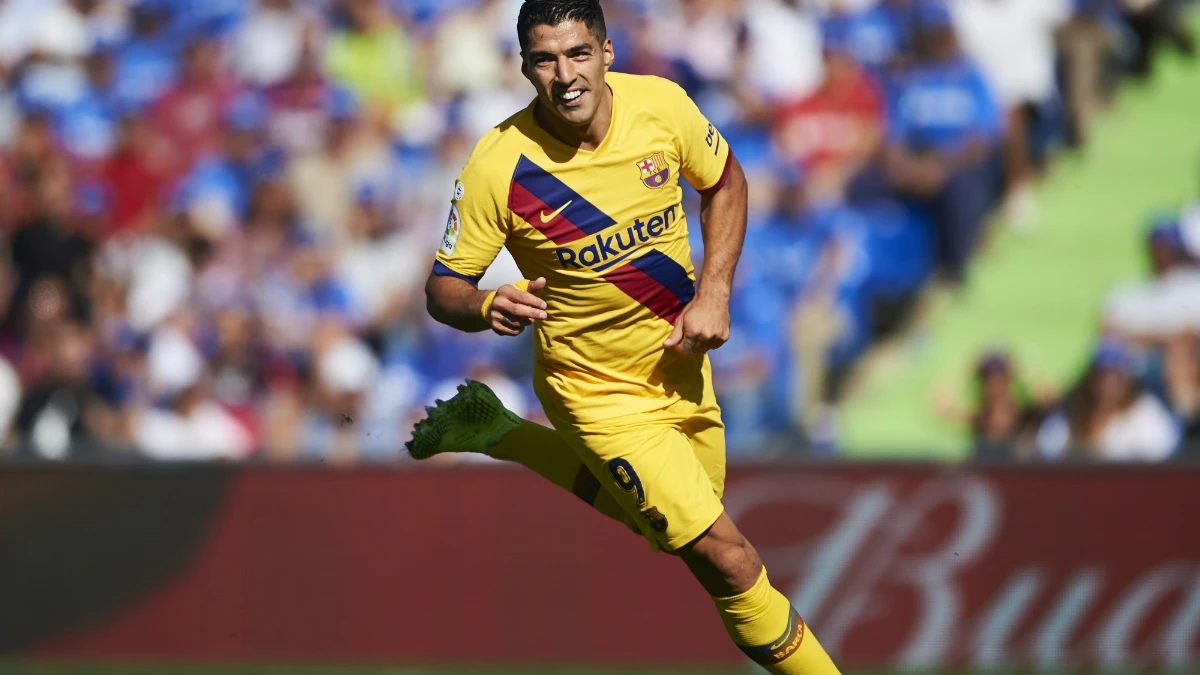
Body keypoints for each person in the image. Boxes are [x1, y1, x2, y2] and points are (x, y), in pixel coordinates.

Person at [407, 2, 840, 673]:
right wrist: (484, 302)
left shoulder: (662, 106)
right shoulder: (499, 164)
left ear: (607, 52)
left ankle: (500, 431)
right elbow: (443, 289)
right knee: (729, 558)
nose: (565, 75)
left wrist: (716, 291)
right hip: (594, 392)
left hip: (679, 369)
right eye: (545, 60)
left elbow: (725, 181)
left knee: (672, 528)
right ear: (525, 67)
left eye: (578, 54)